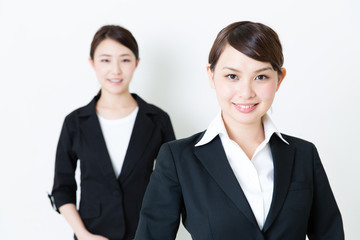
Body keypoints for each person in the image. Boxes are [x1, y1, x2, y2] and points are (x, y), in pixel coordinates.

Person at [135, 21, 344, 239]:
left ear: (279, 79)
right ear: (211, 75)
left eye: (261, 77)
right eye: (232, 76)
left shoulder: (304, 154)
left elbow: (330, 234)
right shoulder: (178, 159)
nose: (246, 92)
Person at [49, 25, 175, 240]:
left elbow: (172, 186)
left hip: (145, 234)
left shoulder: (158, 120)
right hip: (92, 234)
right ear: (92, 63)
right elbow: (62, 189)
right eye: (105, 60)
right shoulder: (75, 123)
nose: (115, 70)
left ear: (137, 62)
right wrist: (83, 235)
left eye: (125, 60)